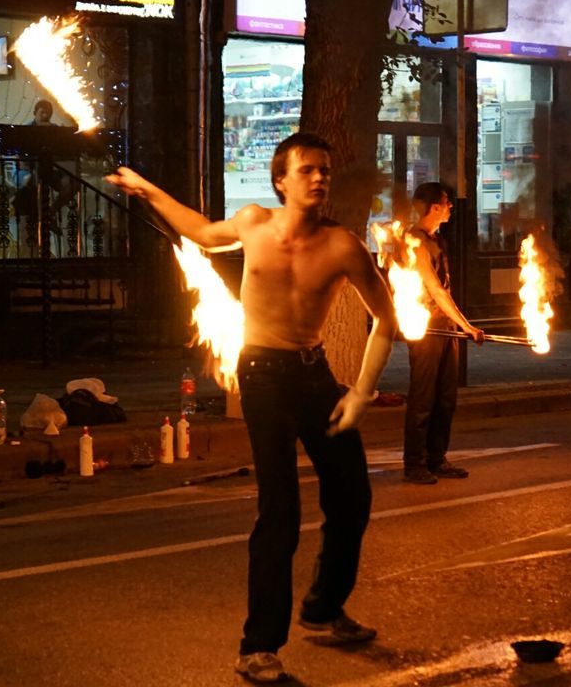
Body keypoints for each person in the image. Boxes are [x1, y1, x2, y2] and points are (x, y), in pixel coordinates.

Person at [107, 132, 396, 684]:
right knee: (279, 514)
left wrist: (359, 393)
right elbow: (200, 231)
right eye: (307, 170)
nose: (319, 178)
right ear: (281, 180)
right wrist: (147, 190)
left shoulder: (343, 246)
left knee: (352, 498)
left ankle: (323, 607)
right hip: (262, 376)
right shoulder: (254, 224)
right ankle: (258, 647)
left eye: (325, 171)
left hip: (315, 377)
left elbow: (386, 320)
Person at [400, 182, 484, 486]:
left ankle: (437, 459)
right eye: (447, 202)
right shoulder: (415, 240)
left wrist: (458, 326)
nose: (451, 207)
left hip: (445, 328)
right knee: (423, 397)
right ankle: (414, 464)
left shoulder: (438, 239)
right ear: (434, 206)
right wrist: (468, 326)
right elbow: (434, 289)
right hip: (426, 328)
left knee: (446, 397)